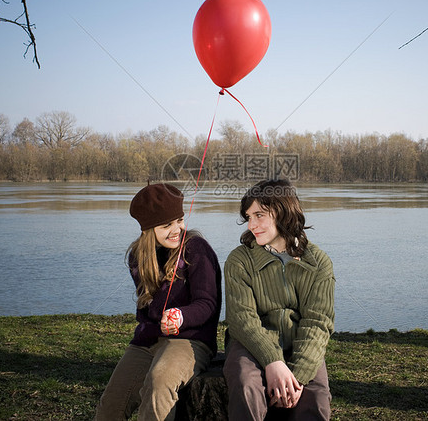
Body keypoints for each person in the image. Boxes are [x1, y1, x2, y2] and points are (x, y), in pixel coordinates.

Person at [95, 183, 222, 421]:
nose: (176, 230)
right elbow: (150, 308)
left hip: (190, 340)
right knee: (112, 401)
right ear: (148, 229)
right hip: (148, 340)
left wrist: (181, 316)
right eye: (166, 225)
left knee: (159, 381)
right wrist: (166, 284)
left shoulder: (196, 249)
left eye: (179, 220)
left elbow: (207, 304)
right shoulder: (139, 256)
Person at [223, 179, 335, 420]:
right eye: (248, 217)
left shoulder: (318, 262)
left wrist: (298, 377)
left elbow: (318, 321)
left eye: (259, 215)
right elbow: (241, 319)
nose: (251, 224)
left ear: (283, 213)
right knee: (246, 385)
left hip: (301, 343)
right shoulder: (239, 260)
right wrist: (273, 361)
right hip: (249, 344)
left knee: (315, 398)